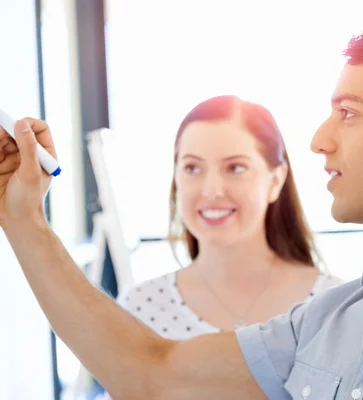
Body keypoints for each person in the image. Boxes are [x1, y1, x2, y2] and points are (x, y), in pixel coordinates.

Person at [0, 13, 363, 399]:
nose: (319, 140)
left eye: (348, 113)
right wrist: (24, 221)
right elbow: (149, 371)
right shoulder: (338, 316)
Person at [117, 95, 342, 339]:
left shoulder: (336, 306)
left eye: (236, 168)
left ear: (275, 181)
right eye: (192, 168)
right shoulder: (140, 308)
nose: (212, 191)